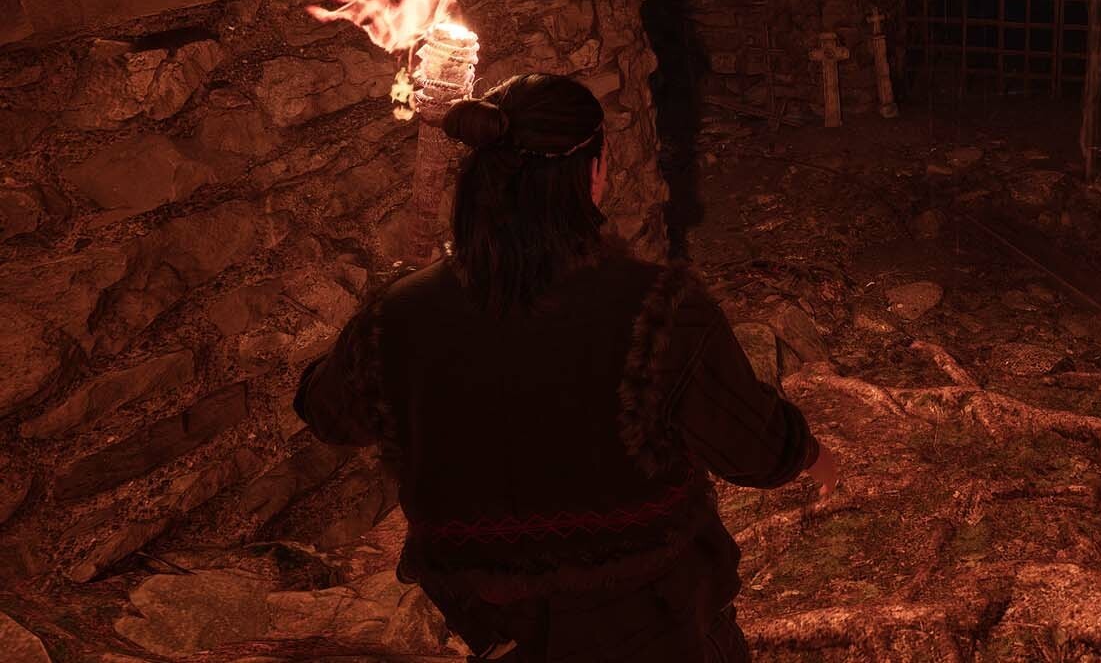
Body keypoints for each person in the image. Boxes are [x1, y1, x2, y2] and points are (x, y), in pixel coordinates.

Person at [294, 73, 840, 662]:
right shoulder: (659, 308)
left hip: (494, 625)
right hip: (653, 621)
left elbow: (327, 413)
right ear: (592, 174)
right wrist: (810, 454)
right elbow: (752, 449)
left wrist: (383, 318)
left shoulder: (398, 315)